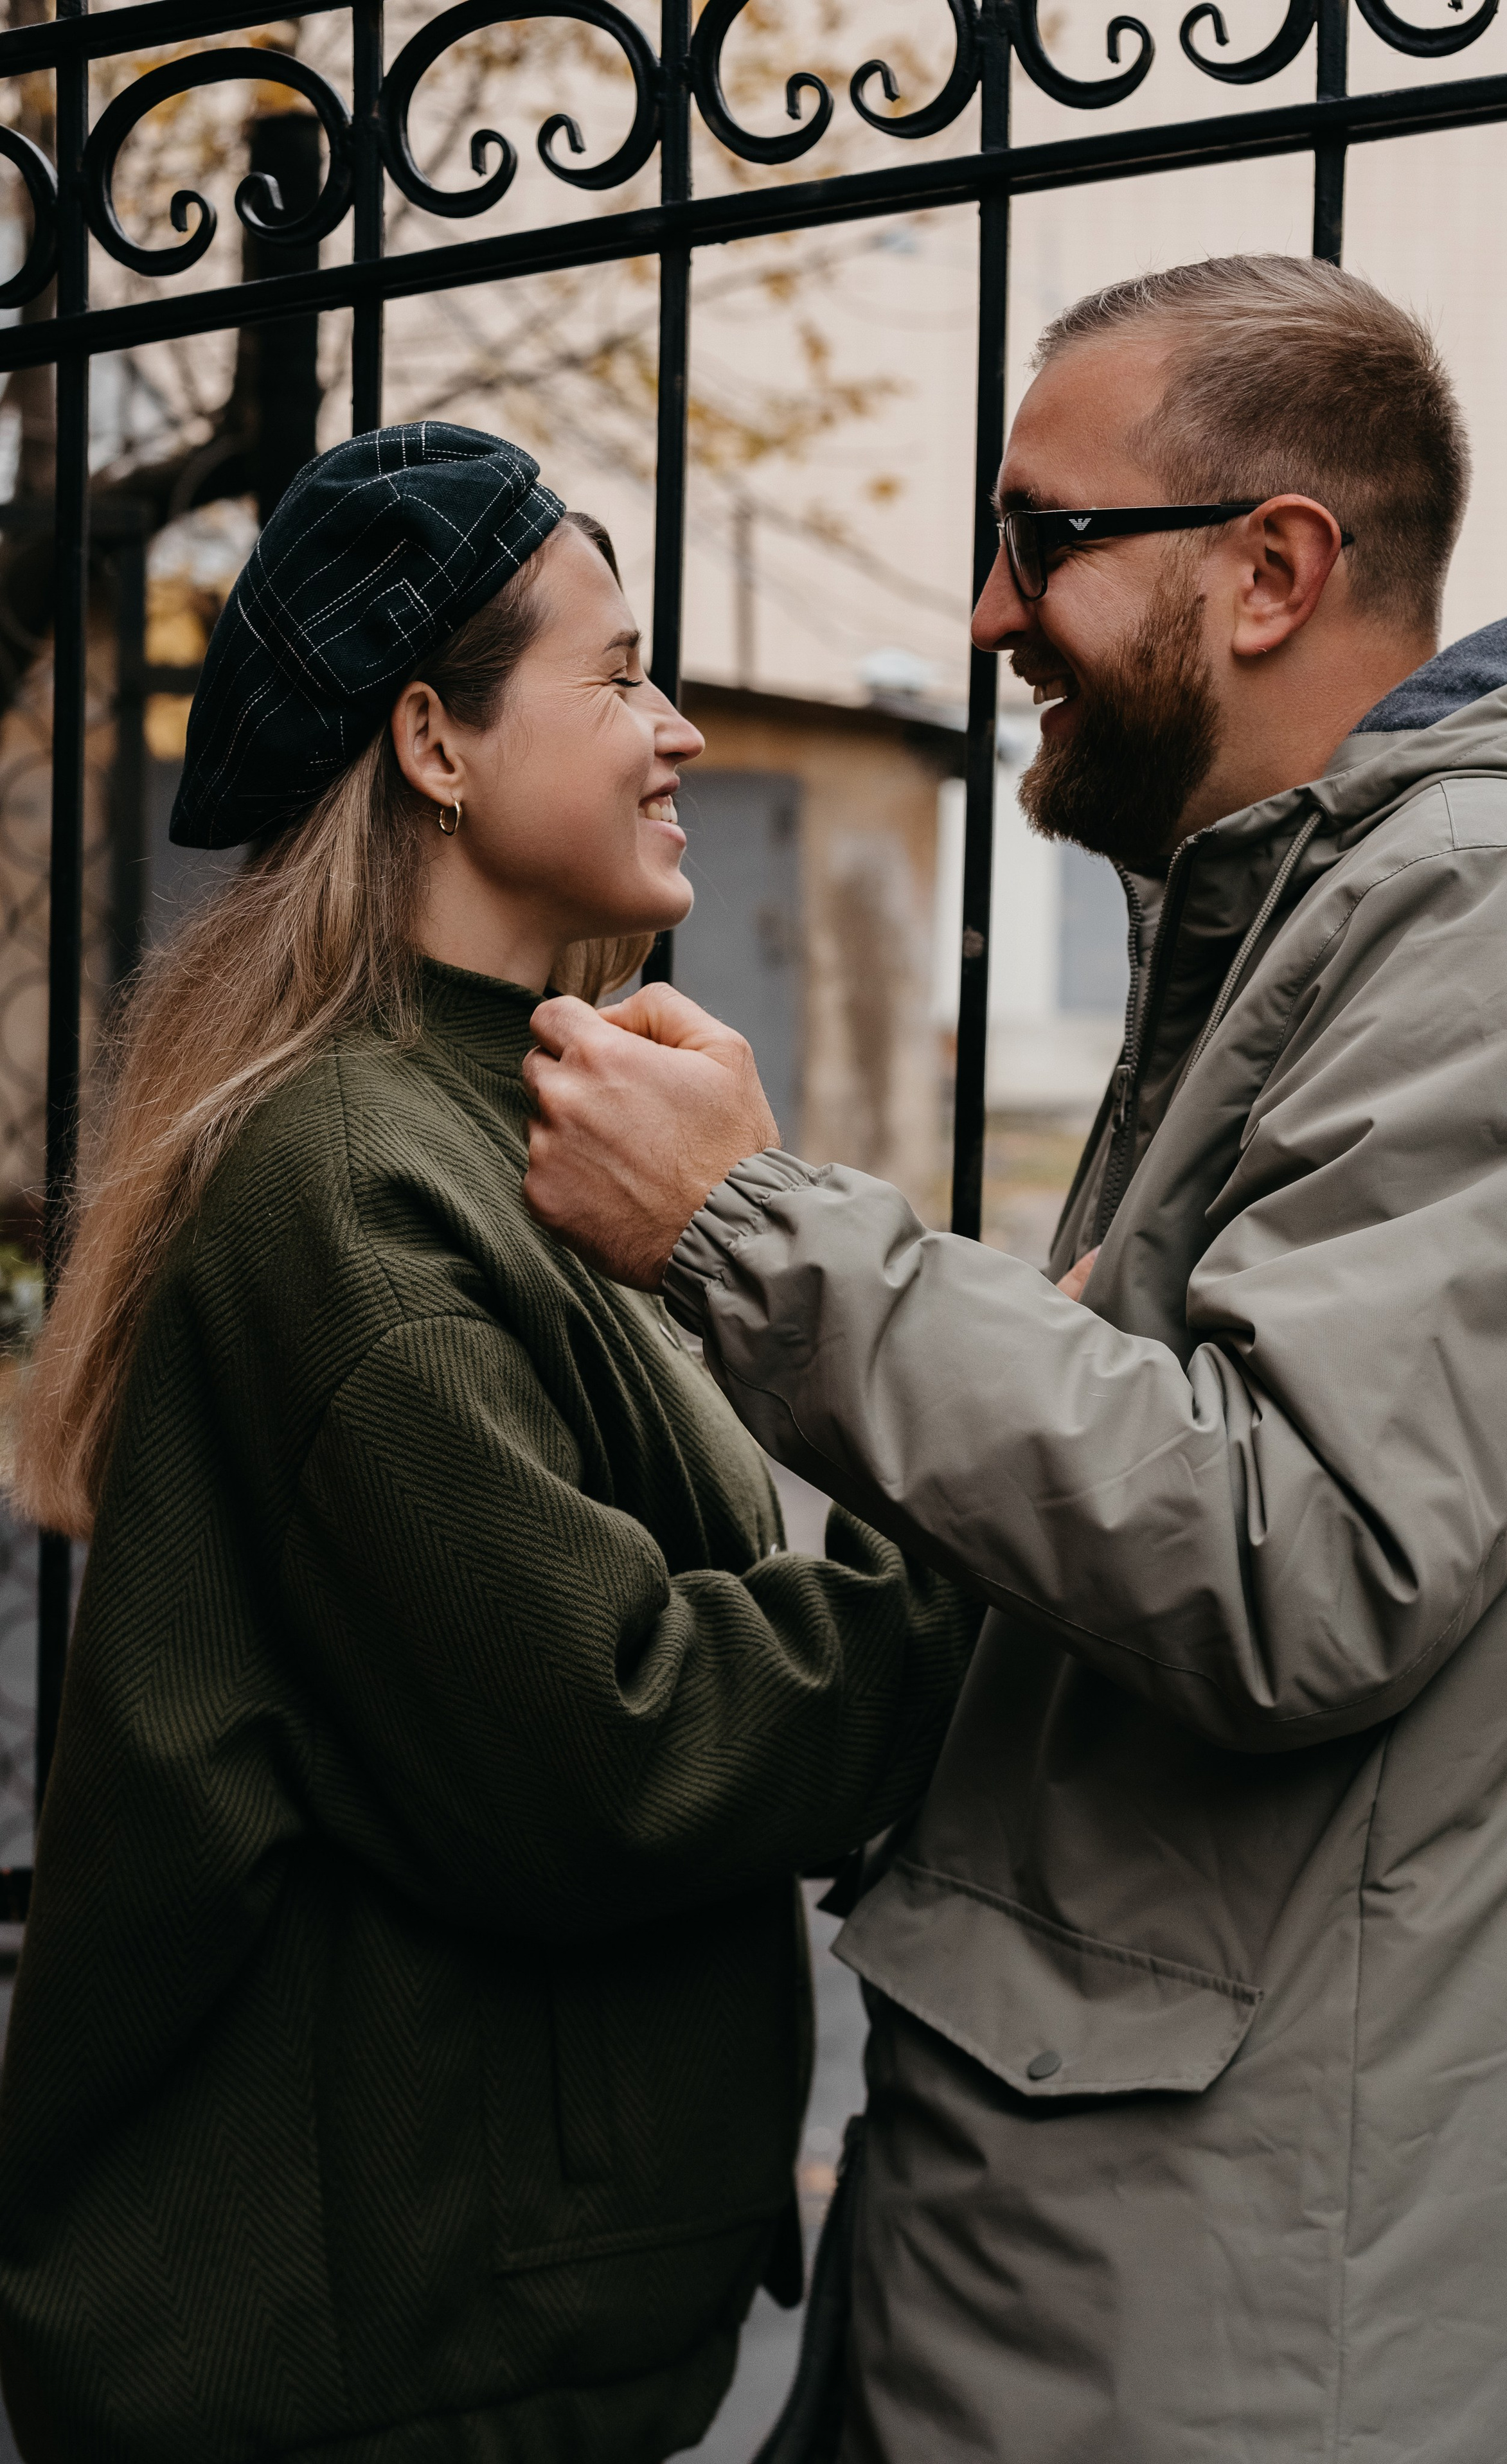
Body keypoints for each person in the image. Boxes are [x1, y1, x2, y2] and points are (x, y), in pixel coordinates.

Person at [519, 257, 1507, 2463]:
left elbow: (1297, 1546)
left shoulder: (1498, 913)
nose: (988, 613)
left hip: (1248, 2306)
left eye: (1044, 536)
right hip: (1129, 2225)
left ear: (1272, 569)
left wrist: (752, 1230)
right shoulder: (1311, 904)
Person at [0, 423, 979, 2464]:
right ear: (435, 743)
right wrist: (1001, 1542)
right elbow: (620, 1737)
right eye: (618, 674)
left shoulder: (510, 1130)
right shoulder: (356, 1177)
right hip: (366, 2365)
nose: (682, 728)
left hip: (478, 2319)